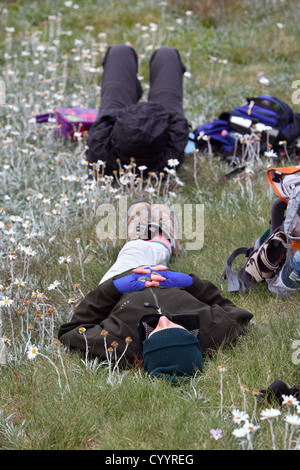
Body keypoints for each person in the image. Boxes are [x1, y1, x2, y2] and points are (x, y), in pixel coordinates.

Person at [58, 201, 253, 381]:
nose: (163, 320)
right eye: (177, 328)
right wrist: (191, 283)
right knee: (155, 256)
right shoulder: (212, 331)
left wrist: (114, 287)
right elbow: (233, 311)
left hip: (124, 281)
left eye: (156, 330)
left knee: (132, 252)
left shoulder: (120, 346)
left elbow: (71, 330)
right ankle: (162, 241)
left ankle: (143, 239)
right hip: (168, 279)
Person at [86, 44, 189, 175]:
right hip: (159, 156)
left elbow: (102, 123)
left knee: (120, 51)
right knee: (167, 54)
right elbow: (180, 125)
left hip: (117, 157)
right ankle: (133, 92)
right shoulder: (169, 160)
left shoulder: (101, 154)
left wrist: (129, 115)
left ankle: (133, 91)